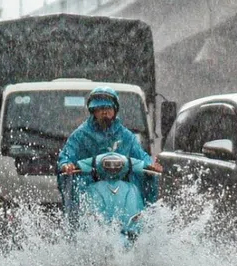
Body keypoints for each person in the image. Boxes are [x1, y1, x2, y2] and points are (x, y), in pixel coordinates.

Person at [57, 86, 163, 223]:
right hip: (89, 182)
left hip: (122, 182)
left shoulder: (126, 135)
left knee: (147, 180)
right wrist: (67, 165)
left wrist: (150, 165)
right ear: (93, 111)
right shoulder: (81, 135)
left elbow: (140, 155)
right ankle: (76, 224)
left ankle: (148, 218)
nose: (105, 113)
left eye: (108, 108)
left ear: (115, 110)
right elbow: (67, 154)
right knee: (75, 187)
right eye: (100, 109)